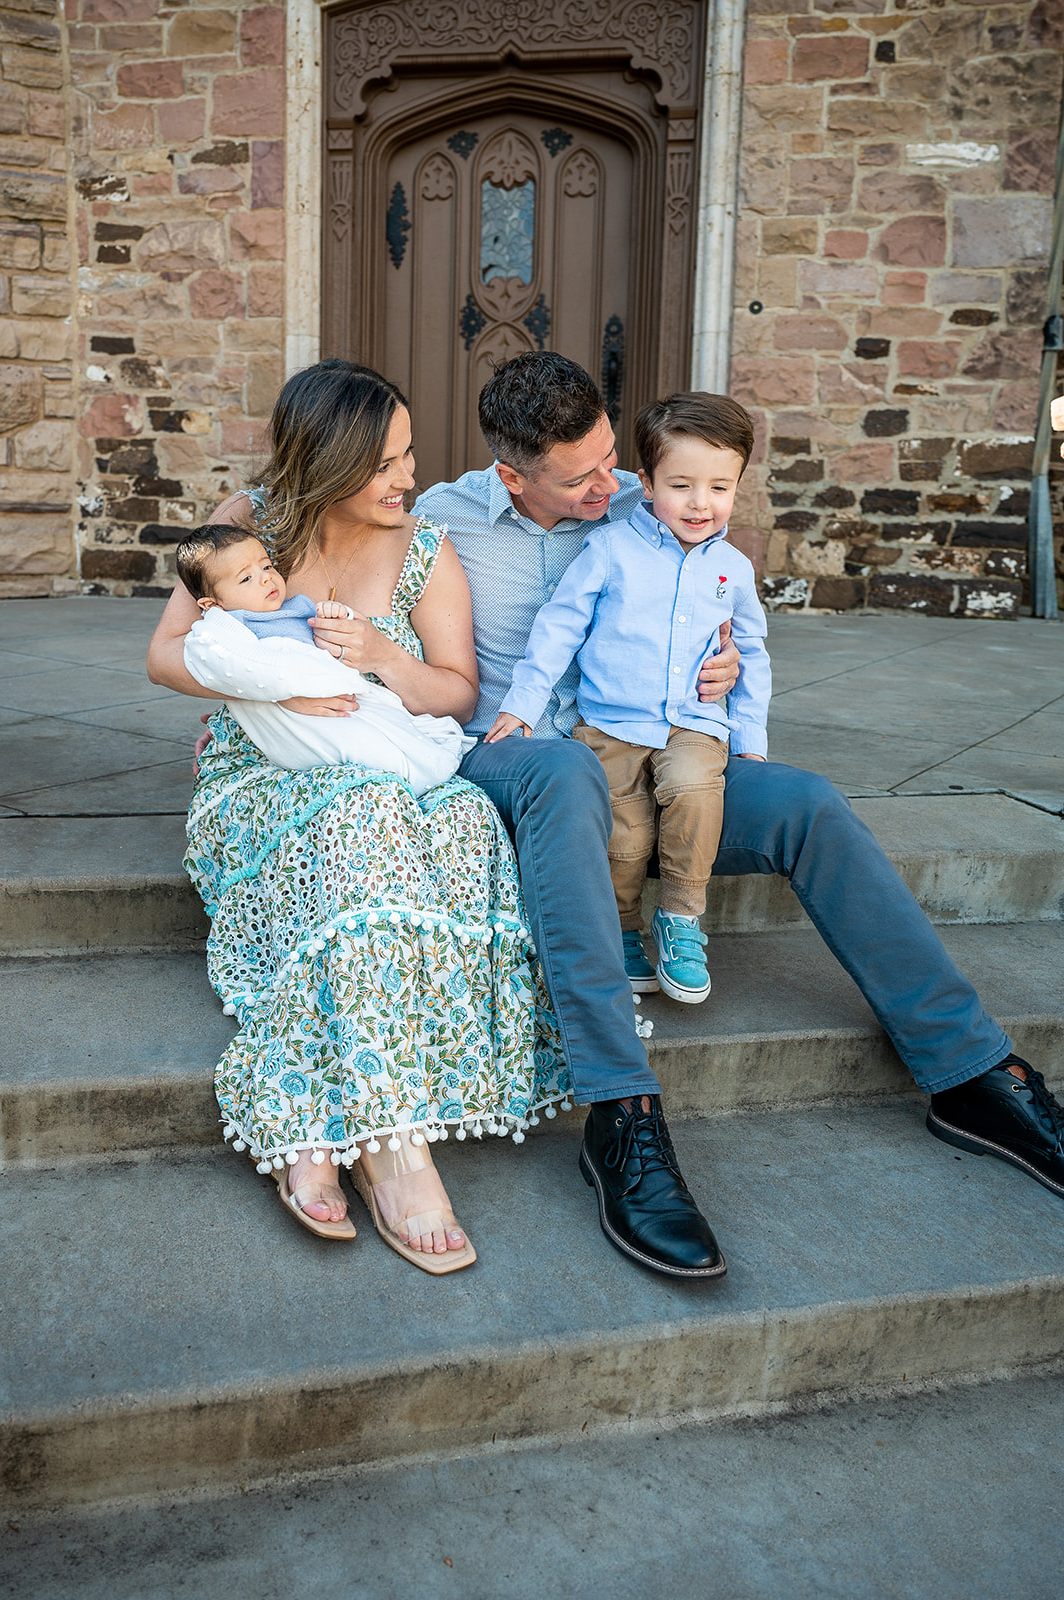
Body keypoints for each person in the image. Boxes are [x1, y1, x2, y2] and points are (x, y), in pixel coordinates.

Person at [413, 350, 1064, 1271]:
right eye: (581, 477)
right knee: (563, 771)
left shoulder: (654, 502)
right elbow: (296, 527)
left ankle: (972, 1073)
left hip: (659, 756)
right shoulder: (439, 518)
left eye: (612, 459)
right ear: (514, 476)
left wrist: (717, 670)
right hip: (524, 768)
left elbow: (720, 615)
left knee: (805, 802)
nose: (612, 485)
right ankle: (620, 1112)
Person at [147, 361, 570, 1275]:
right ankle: (395, 1152)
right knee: (356, 818)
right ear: (325, 462)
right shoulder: (246, 523)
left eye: (407, 455)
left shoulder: (425, 549)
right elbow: (166, 654)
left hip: (399, 763)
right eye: (383, 463)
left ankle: (313, 1119)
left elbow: (456, 694)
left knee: (434, 823)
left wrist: (380, 655)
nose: (407, 477)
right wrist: (275, 687)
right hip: (265, 774)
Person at [487, 392, 771, 1006]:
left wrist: (749, 736)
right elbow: (559, 627)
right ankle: (621, 928)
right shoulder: (611, 548)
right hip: (611, 724)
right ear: (645, 483)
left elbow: (751, 651)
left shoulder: (733, 569)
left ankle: (682, 917)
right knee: (623, 833)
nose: (700, 503)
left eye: (720, 488)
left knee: (696, 791)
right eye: (681, 485)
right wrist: (523, 705)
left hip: (693, 721)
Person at [175, 523, 474, 794]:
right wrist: (290, 688)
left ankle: (417, 762)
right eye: (247, 578)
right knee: (362, 746)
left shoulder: (297, 608)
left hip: (342, 698)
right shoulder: (227, 627)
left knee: (388, 725)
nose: (266, 579)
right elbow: (229, 663)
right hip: (297, 721)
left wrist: (339, 616)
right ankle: (408, 773)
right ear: (212, 605)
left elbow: (330, 638)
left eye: (266, 566)